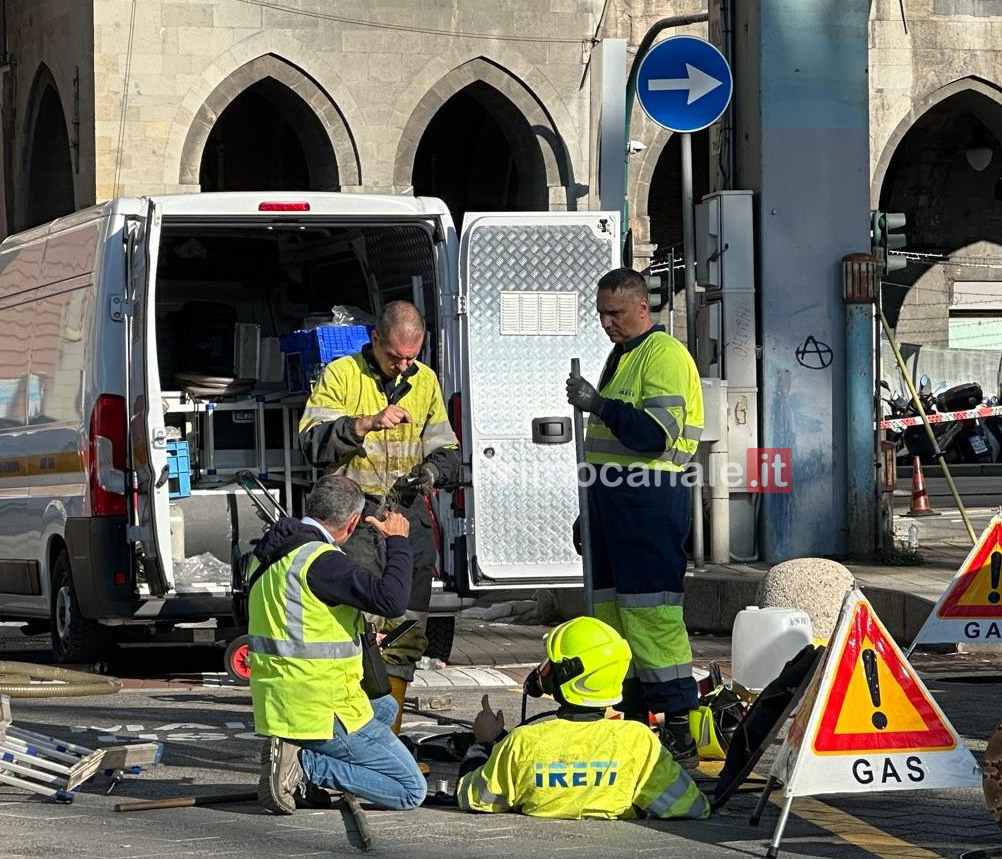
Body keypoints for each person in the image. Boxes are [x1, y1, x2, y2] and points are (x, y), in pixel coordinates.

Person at [565, 268, 706, 765]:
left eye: (616, 313)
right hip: (614, 502)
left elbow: (654, 436)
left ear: (643, 308)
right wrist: (591, 509)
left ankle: (678, 726)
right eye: (601, 314)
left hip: (648, 502)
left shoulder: (664, 355)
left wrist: (597, 404)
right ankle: (632, 717)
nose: (606, 323)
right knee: (613, 615)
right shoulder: (622, 354)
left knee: (653, 616)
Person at [299, 300, 461, 729]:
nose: (404, 366)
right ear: (374, 340)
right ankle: (352, 730)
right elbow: (311, 446)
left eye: (413, 357)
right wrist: (364, 423)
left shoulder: (424, 381)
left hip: (407, 515)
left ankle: (390, 733)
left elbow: (447, 449)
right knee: (360, 630)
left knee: (408, 630)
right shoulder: (341, 375)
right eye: (395, 357)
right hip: (356, 517)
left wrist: (430, 471)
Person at [248, 475, 427, 815]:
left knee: (385, 708)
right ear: (353, 522)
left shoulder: (271, 551)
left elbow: (296, 617)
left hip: (279, 702)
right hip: (321, 707)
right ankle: (305, 768)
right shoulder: (321, 560)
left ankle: (295, 753)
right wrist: (399, 542)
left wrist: (359, 635)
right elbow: (391, 601)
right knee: (410, 789)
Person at [455, 617, 710, 821]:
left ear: (566, 674)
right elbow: (692, 806)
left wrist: (483, 742)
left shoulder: (522, 743)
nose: (544, 670)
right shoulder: (638, 742)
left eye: (551, 665)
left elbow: (475, 797)